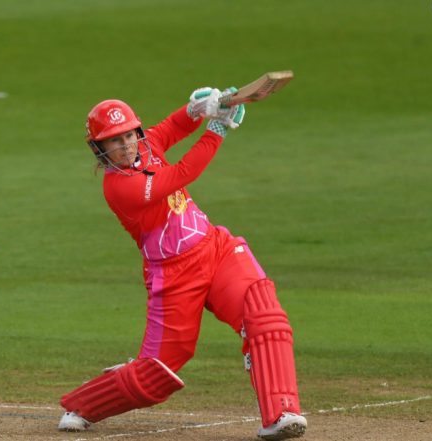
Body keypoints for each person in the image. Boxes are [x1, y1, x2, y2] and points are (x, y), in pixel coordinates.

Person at [57, 87, 307, 440]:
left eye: (129, 134)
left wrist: (201, 108)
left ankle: (282, 413)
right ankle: (83, 405)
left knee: (265, 317)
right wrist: (216, 130)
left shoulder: (147, 145)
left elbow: (174, 126)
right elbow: (181, 175)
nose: (126, 145)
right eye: (114, 140)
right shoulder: (119, 187)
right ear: (100, 149)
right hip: (172, 276)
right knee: (155, 374)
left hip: (215, 249)